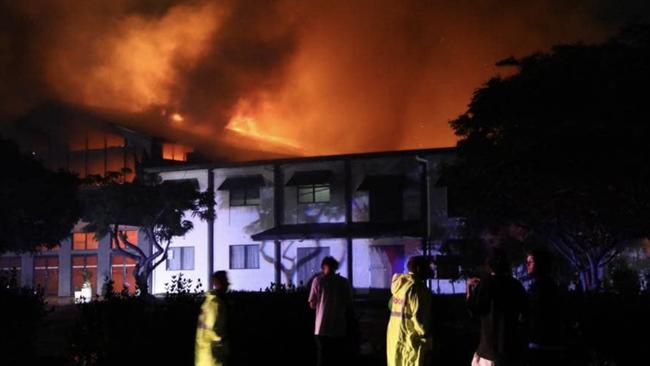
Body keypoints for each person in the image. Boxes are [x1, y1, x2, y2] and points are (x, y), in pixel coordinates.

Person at [467, 247, 527, 366]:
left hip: (488, 351)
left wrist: (468, 288)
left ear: (489, 264)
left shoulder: (485, 284)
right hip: (510, 351)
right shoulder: (515, 285)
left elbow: (473, 310)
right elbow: (525, 312)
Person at [386, 255, 434, 366]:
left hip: (395, 339)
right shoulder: (419, 289)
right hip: (411, 342)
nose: (430, 270)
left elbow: (391, 306)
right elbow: (421, 324)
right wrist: (428, 339)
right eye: (427, 267)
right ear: (418, 268)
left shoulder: (400, 285)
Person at [308, 256, 353, 366]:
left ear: (323, 267)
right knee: (337, 357)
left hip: (321, 327)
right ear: (335, 267)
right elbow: (348, 303)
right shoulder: (344, 282)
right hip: (339, 327)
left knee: (323, 357)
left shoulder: (318, 281)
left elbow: (312, 304)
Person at [525, 249, 566, 366]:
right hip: (547, 343)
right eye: (527, 262)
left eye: (531, 261)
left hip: (542, 345)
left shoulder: (541, 287)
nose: (527, 265)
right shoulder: (548, 285)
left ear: (541, 263)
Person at [195, 271, 230, 366]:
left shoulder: (208, 302)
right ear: (218, 283)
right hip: (212, 357)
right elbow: (212, 330)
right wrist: (223, 340)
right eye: (226, 281)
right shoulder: (215, 304)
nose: (228, 284)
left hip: (204, 356)